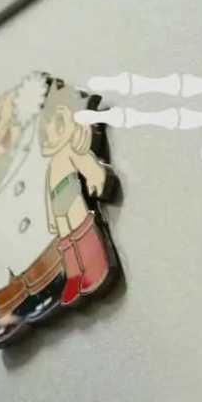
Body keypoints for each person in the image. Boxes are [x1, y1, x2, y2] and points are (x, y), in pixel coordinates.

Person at [0, 72, 65, 347]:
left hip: (29, 221)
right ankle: (9, 312)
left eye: (4, 121)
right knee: (1, 279)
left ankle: (49, 284)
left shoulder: (32, 142)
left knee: (35, 256)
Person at [39, 81, 117, 305]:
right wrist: (51, 218)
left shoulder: (71, 151)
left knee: (82, 230)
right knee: (66, 241)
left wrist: (96, 177)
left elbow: (88, 165)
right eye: (46, 128)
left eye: (58, 123)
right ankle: (74, 276)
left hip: (73, 195)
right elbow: (49, 195)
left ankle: (95, 267)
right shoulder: (52, 164)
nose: (52, 133)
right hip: (58, 204)